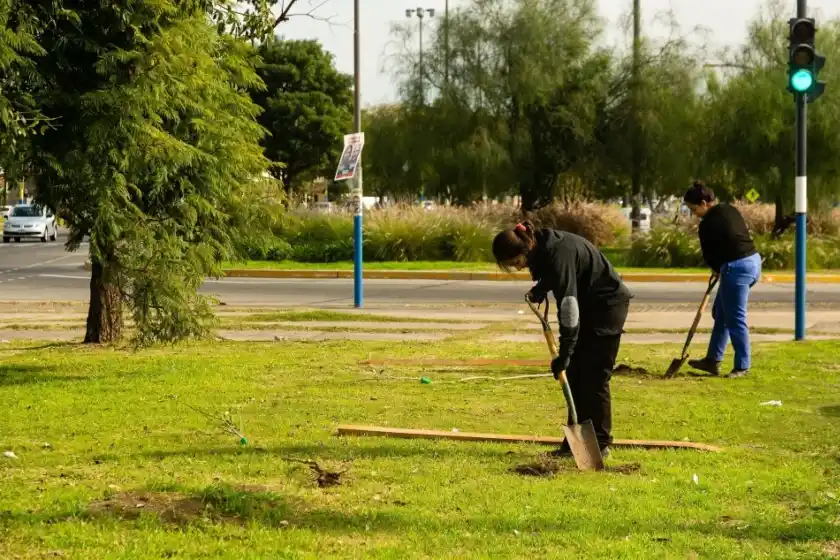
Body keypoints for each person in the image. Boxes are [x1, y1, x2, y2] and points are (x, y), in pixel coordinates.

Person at [492, 221, 632, 458]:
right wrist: (542, 287)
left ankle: (600, 443)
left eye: (517, 262)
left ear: (526, 249)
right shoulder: (544, 245)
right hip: (590, 305)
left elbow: (568, 305)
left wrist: (566, 352)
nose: (518, 268)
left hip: (607, 307)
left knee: (595, 376)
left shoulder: (557, 253)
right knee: (576, 376)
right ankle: (573, 444)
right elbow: (557, 275)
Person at [682, 181, 762, 378]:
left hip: (737, 267)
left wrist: (718, 269)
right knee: (721, 312)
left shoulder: (706, 224)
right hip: (753, 262)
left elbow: (710, 257)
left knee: (735, 318)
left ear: (703, 203)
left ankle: (742, 366)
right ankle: (712, 360)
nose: (694, 214)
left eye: (694, 209)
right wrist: (720, 268)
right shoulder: (729, 209)